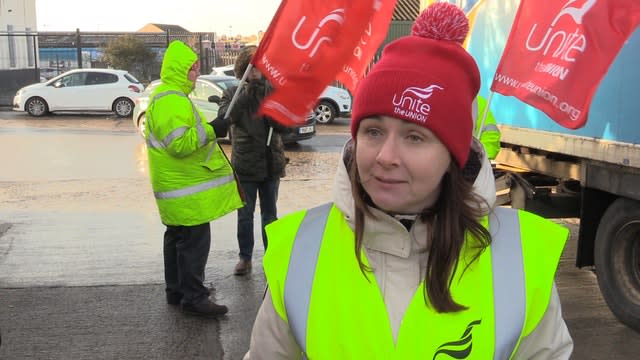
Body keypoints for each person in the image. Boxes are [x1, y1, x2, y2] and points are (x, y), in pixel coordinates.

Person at [245, 3, 573, 359]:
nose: (385, 155)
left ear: (454, 154)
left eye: (414, 137)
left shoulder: (519, 255)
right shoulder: (299, 249)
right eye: (373, 131)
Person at [145, 40, 244, 317]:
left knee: (177, 240)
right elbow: (180, 145)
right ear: (179, 70)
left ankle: (177, 291)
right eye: (192, 69)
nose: (196, 74)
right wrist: (215, 129)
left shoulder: (169, 97)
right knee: (193, 244)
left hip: (177, 189)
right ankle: (194, 298)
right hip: (185, 191)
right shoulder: (172, 100)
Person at [218, 45, 289, 276]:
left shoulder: (274, 91)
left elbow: (284, 126)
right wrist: (247, 95)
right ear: (243, 70)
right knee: (245, 215)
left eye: (259, 67)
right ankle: (245, 258)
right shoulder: (232, 92)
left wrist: (270, 108)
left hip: (270, 163)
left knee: (270, 214)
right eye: (251, 68)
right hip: (245, 165)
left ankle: (271, 257)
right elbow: (226, 118)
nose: (256, 72)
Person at [473, 94, 501, 160]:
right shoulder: (479, 101)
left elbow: (491, 132)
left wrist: (482, 158)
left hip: (470, 159)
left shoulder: (478, 102)